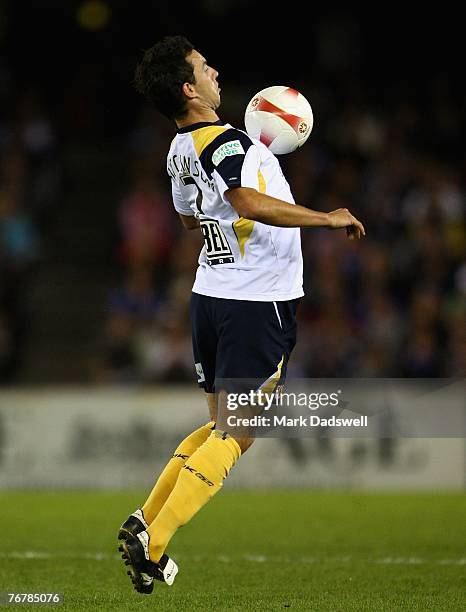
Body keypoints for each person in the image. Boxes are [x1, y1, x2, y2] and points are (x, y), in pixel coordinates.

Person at [118, 35, 365, 594]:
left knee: (219, 428)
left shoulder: (179, 149)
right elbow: (247, 204)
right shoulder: (228, 144)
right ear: (189, 88)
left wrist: (228, 220)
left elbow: (188, 220)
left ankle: (143, 521)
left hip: (210, 297)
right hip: (256, 303)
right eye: (205, 68)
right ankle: (153, 543)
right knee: (240, 431)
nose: (215, 73)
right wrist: (327, 218)